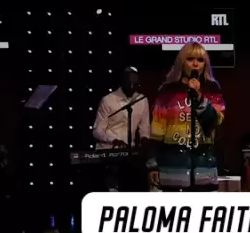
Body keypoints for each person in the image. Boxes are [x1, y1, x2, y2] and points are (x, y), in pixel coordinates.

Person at [147, 42, 225, 191]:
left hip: (204, 166)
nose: (195, 64)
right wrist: (152, 164)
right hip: (173, 165)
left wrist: (199, 97)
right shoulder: (168, 90)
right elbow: (157, 130)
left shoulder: (212, 88)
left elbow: (214, 123)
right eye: (190, 59)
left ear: (205, 64)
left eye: (200, 60)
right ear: (182, 62)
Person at [92, 67, 150, 191]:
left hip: (130, 150)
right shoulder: (108, 100)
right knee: (112, 180)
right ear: (122, 82)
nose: (132, 86)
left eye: (135, 84)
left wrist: (145, 138)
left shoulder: (142, 100)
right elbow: (97, 131)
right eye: (129, 83)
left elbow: (144, 125)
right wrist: (113, 141)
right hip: (109, 149)